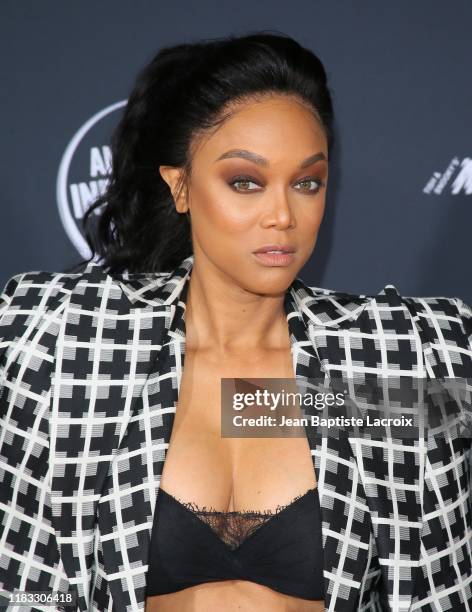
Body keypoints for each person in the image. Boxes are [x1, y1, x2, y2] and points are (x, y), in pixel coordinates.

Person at [0, 32, 471, 612]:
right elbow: (29, 586)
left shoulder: (376, 367)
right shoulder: (70, 345)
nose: (282, 216)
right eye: (245, 182)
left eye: (307, 183)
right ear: (180, 187)